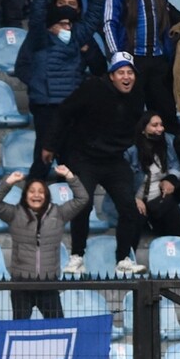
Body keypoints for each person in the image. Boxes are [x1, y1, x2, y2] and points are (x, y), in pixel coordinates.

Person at [42, 52, 147, 276]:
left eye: (130, 73)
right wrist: (50, 145)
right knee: (84, 203)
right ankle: (77, 256)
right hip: (84, 157)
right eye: (121, 72)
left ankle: (123, 259)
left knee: (129, 207)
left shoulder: (137, 94)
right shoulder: (92, 88)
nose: (126, 77)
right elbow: (63, 112)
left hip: (114, 159)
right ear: (111, 76)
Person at [15, 0, 108, 179]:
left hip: (72, 106)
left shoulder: (79, 36)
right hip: (46, 106)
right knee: (43, 159)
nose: (66, 10)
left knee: (70, 162)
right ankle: (31, 202)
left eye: (72, 5)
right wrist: (38, 85)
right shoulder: (40, 35)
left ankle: (68, 204)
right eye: (62, 4)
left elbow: (94, 14)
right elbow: (37, 13)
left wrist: (87, 51)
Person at [0, 164, 88, 317]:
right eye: (32, 191)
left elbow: (82, 198)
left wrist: (69, 175)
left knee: (58, 330)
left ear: (47, 195)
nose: (36, 195)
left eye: (41, 192)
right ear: (25, 195)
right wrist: (9, 182)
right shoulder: (15, 214)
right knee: (20, 333)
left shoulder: (59, 213)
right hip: (21, 285)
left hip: (48, 284)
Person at [103, 0, 176, 126]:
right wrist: (118, 58)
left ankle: (167, 145)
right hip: (132, 60)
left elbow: (166, 23)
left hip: (158, 59)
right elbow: (109, 23)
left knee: (167, 113)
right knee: (131, 113)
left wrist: (168, 54)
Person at [125, 111, 180, 236]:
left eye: (161, 125)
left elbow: (175, 165)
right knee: (133, 220)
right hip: (136, 199)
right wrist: (134, 199)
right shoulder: (131, 149)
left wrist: (170, 179)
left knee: (175, 216)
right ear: (143, 129)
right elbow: (121, 180)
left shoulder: (167, 141)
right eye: (155, 125)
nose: (160, 129)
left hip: (158, 199)